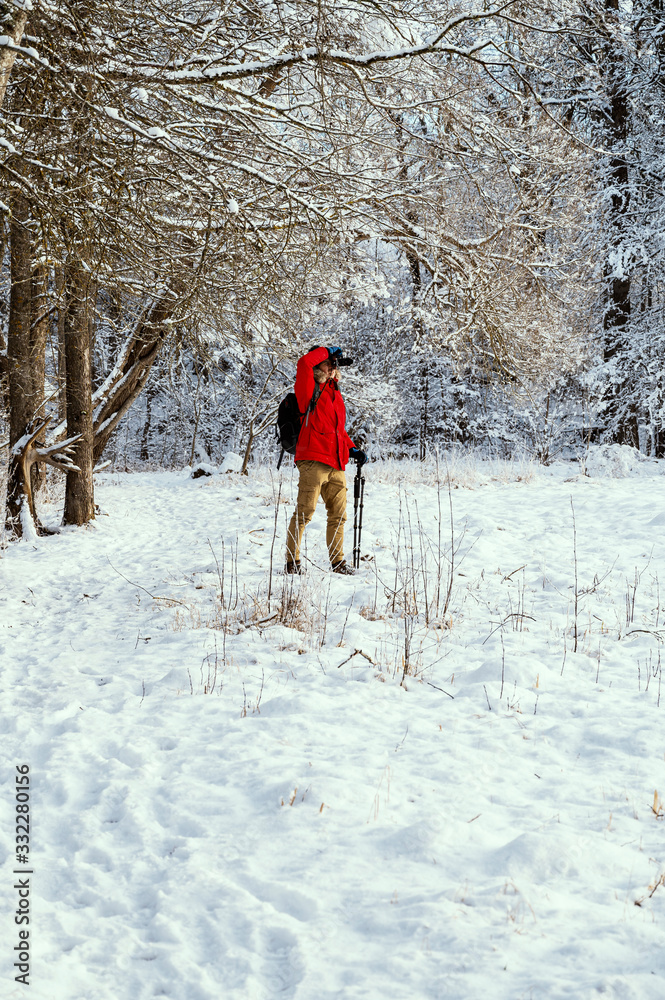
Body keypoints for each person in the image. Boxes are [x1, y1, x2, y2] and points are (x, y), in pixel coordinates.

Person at [285, 345, 366, 575]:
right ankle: (292, 563)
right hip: (312, 460)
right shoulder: (307, 387)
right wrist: (324, 349)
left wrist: (352, 449)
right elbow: (303, 362)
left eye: (333, 363)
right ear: (317, 364)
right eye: (327, 362)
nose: (332, 366)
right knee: (305, 513)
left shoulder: (334, 391)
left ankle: (338, 563)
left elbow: (337, 430)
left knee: (339, 515)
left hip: (336, 462)